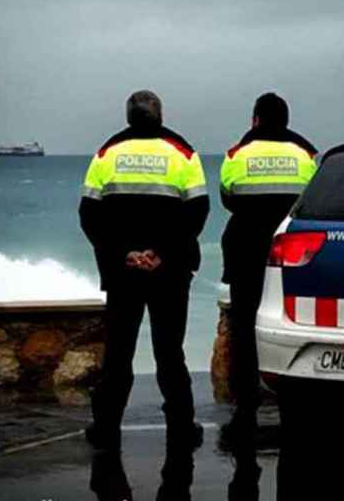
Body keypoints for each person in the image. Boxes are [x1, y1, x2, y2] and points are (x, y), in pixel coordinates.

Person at [79, 90, 209, 452]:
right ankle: (182, 427)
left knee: (119, 352)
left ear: (128, 116)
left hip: (123, 273)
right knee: (170, 352)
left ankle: (105, 426)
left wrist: (125, 254)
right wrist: (161, 253)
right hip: (170, 271)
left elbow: (89, 214)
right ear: (161, 115)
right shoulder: (183, 154)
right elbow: (198, 211)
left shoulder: (107, 154)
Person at [219, 92, 317, 446]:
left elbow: (227, 197)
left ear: (255, 120)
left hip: (246, 252)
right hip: (293, 255)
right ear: (287, 121)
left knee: (245, 330)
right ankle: (297, 408)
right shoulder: (306, 156)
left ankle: (246, 409)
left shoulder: (236, 155)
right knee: (292, 327)